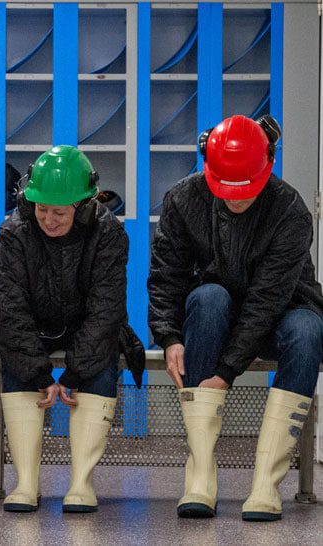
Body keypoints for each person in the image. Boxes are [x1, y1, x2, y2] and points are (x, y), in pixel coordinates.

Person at [148, 114, 323, 521]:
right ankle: (200, 477)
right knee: (208, 297)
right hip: (214, 316)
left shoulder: (291, 210)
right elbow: (165, 277)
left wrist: (226, 372)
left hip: (281, 312)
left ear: (268, 167)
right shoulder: (183, 199)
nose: (235, 198)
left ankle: (266, 483)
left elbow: (267, 300)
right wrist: (170, 336)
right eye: (226, 188)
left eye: (245, 189)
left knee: (309, 328)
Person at [0, 145, 129, 513]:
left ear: (85, 206)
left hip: (84, 324)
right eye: (42, 209)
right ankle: (26, 482)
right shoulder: (13, 231)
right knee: (12, 355)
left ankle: (81, 483)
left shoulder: (108, 232)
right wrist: (39, 373)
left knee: (104, 356)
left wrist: (75, 372)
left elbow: (106, 311)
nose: (49, 219)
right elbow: (9, 310)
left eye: (59, 212)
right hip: (31, 322)